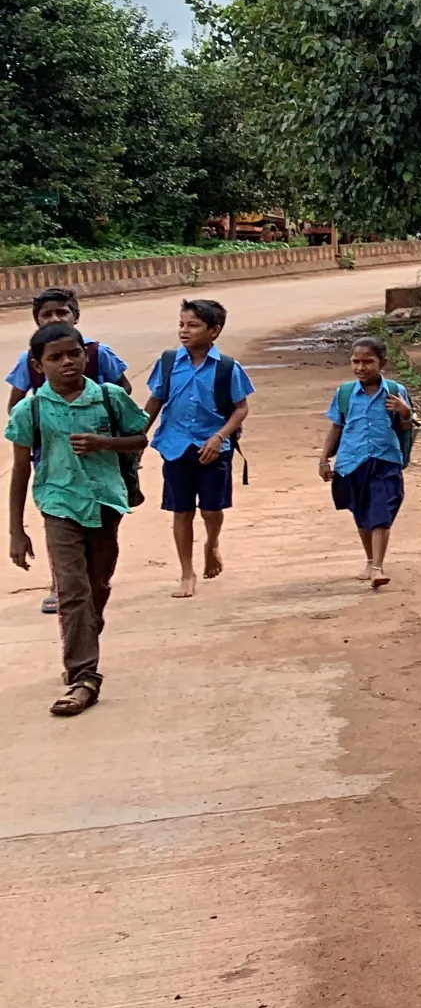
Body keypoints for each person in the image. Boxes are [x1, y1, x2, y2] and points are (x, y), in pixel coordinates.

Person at [7, 322, 151, 716]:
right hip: (58, 505)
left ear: (85, 356)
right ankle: (84, 678)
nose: (67, 362)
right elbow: (21, 469)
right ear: (39, 366)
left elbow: (140, 439)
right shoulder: (30, 409)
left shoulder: (110, 397)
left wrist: (105, 443)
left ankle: (90, 624)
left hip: (105, 502)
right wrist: (16, 530)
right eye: (55, 358)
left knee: (97, 584)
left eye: (73, 354)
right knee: (72, 592)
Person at [5, 289, 132, 617]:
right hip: (54, 455)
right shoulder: (30, 359)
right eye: (46, 315)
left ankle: (90, 598)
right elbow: (15, 403)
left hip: (100, 460)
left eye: (62, 312)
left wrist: (103, 427)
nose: (55, 319)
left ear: (76, 315)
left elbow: (125, 391)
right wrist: (41, 423)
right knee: (60, 519)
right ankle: (61, 584)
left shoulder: (97, 353)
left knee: (99, 565)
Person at [143, 298, 254, 599]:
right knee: (181, 510)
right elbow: (155, 401)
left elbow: (241, 408)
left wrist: (220, 437)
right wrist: (138, 437)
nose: (184, 331)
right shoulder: (168, 363)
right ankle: (186, 572)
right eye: (181, 324)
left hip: (213, 447)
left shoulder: (227, 368)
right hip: (175, 447)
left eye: (193, 325)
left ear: (214, 331)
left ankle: (212, 543)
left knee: (211, 508)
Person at [320, 337, 412, 589]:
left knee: (381, 511)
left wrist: (405, 412)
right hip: (352, 462)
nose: (361, 367)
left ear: (382, 363)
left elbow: (404, 427)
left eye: (368, 362)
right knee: (361, 512)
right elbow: (337, 427)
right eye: (356, 362)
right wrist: (324, 459)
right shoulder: (345, 394)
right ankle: (370, 559)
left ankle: (378, 567)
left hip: (385, 460)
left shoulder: (395, 390)